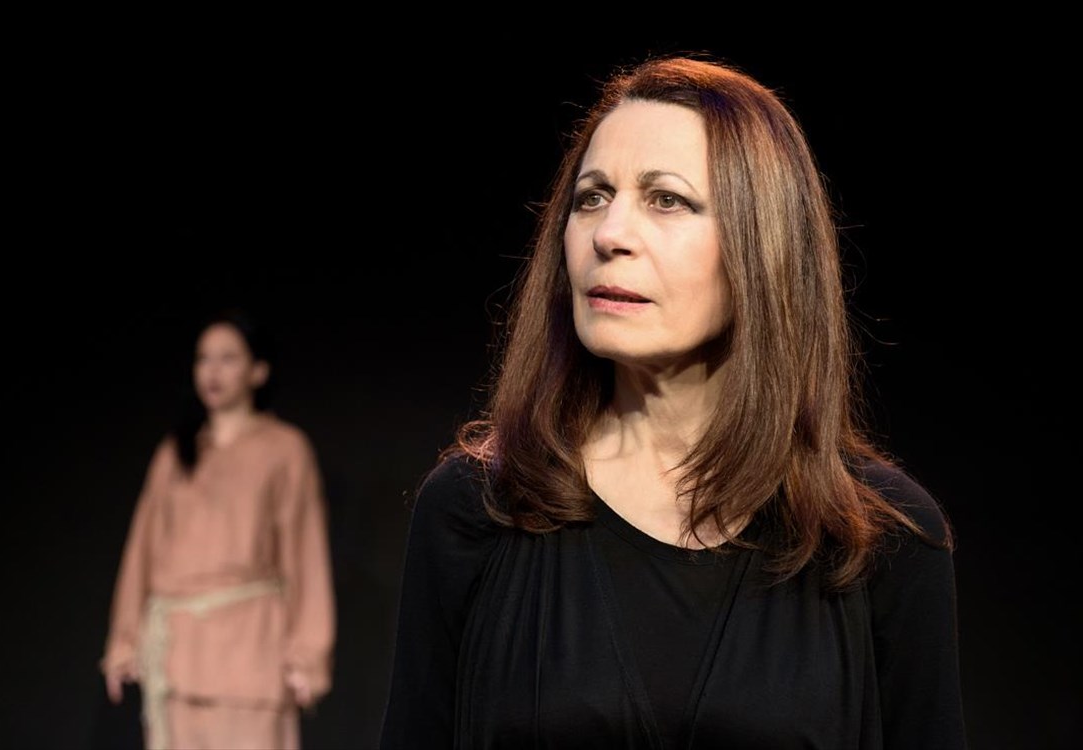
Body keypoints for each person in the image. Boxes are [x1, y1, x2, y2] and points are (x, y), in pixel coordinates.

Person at [379, 54, 967, 749]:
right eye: (592, 197)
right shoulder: (477, 507)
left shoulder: (880, 539)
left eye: (666, 200)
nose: (609, 235)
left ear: (764, 243)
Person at [100, 308, 336, 750]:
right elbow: (142, 551)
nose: (212, 371)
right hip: (177, 653)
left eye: (228, 358)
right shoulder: (175, 453)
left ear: (258, 370)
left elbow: (305, 554)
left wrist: (308, 653)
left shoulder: (285, 449)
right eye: (203, 358)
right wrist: (124, 641)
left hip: (250, 651)